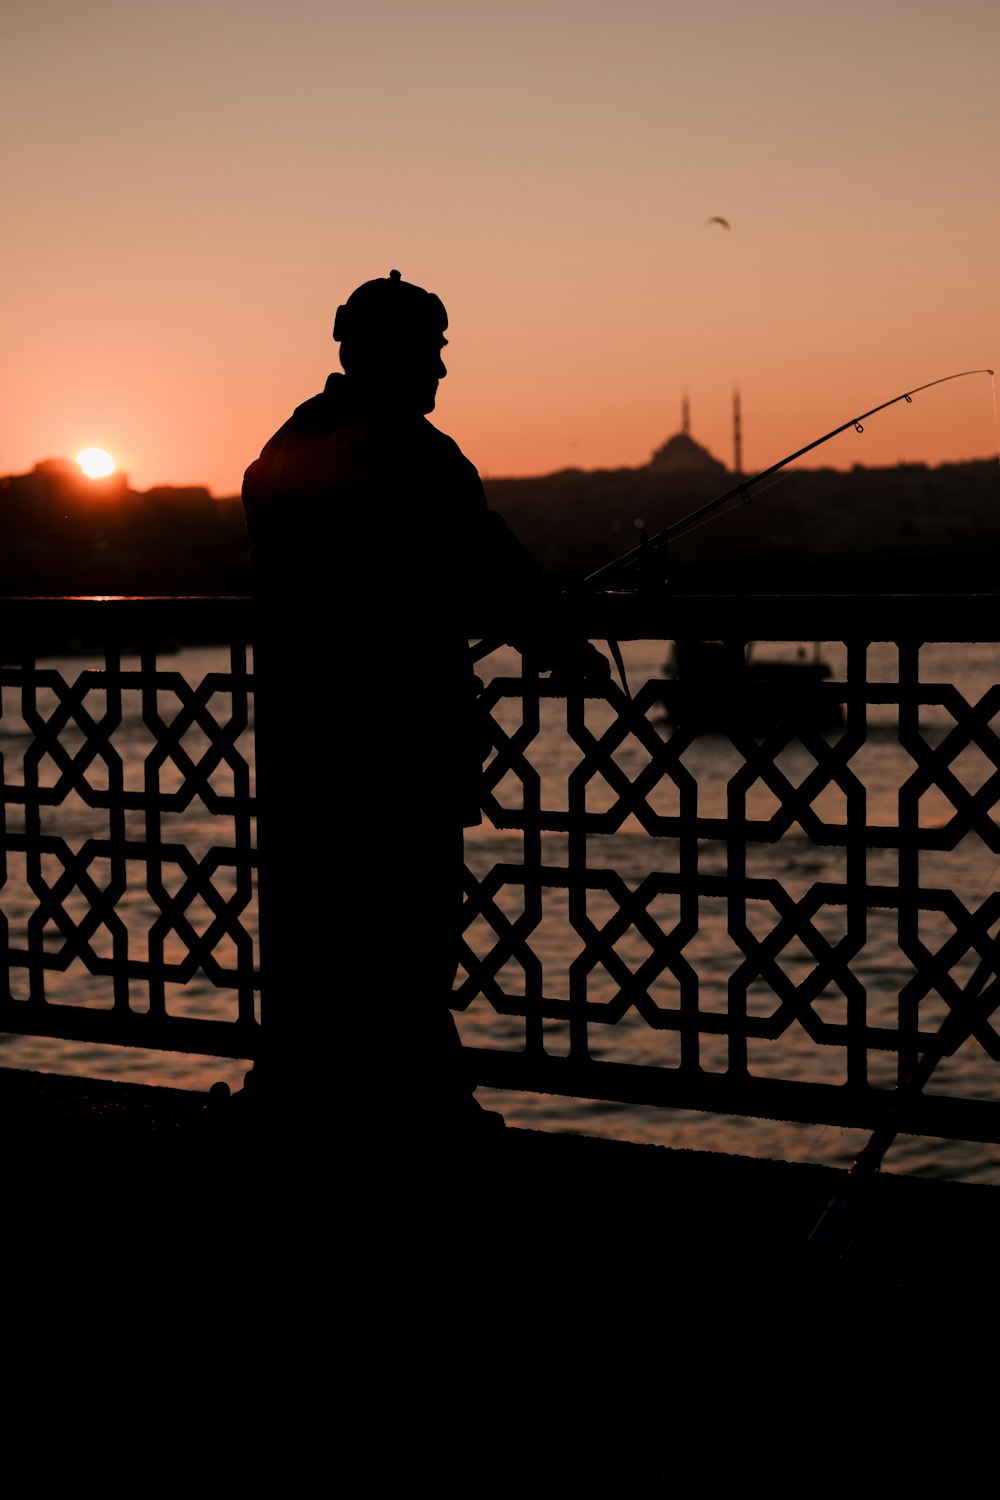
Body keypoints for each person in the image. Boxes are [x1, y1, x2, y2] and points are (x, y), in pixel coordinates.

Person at [242, 269, 607, 1146]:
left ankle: (299, 1096)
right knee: (407, 930)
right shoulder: (419, 455)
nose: (442, 373)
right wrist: (567, 650)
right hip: (399, 737)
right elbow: (494, 574)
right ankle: (423, 1111)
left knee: (318, 931)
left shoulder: (286, 447)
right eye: (433, 352)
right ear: (392, 354)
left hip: (304, 737)